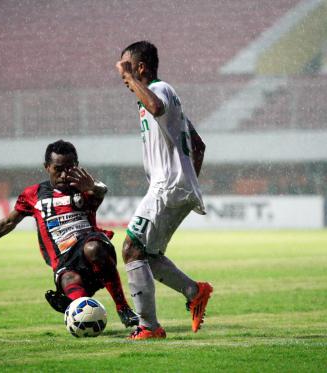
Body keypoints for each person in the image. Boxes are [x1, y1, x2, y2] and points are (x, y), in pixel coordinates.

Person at [0, 140, 139, 327]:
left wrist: (93, 188)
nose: (64, 174)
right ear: (47, 167)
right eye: (58, 169)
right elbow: (8, 222)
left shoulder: (84, 186)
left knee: (93, 248)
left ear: (77, 166)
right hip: (65, 261)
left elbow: (102, 190)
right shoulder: (33, 194)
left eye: (69, 168)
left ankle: (123, 308)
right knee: (72, 288)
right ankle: (73, 305)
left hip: (94, 250)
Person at [115, 41, 213, 340]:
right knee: (147, 254)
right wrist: (187, 181)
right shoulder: (164, 100)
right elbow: (198, 144)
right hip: (175, 186)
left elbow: (156, 107)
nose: (122, 75)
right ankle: (194, 292)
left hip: (167, 186)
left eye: (127, 67)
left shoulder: (159, 91)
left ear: (141, 67)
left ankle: (149, 327)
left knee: (131, 249)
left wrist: (176, 181)